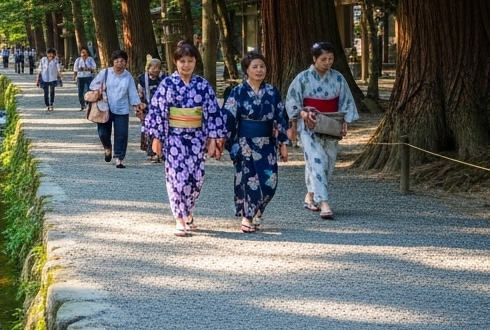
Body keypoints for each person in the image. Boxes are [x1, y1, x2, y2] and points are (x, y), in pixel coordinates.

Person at [142, 42, 227, 236]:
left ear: (196, 61)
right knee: (177, 178)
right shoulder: (167, 84)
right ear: (175, 62)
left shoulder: (202, 85)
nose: (186, 65)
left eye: (190, 61)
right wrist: (157, 137)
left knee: (196, 178)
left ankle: (188, 209)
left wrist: (213, 137)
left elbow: (212, 112)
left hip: (197, 137)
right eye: (182, 61)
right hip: (174, 138)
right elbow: (157, 111)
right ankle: (180, 218)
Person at [285, 41, 359, 221]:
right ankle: (324, 202)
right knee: (317, 160)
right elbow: (292, 101)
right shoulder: (302, 78)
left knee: (327, 164)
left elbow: (346, 101)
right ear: (314, 59)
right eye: (323, 59)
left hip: (331, 124)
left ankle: (310, 196)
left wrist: (345, 121)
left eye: (330, 59)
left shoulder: (338, 78)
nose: (328, 62)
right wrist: (302, 113)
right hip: (310, 126)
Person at [222, 51, 290, 233]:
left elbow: (280, 118)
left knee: (270, 182)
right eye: (255, 67)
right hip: (245, 143)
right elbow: (228, 118)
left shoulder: (272, 92)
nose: (259, 70)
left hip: (267, 143)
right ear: (246, 70)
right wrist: (226, 141)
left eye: (262, 66)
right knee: (248, 180)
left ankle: (258, 210)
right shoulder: (237, 92)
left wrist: (283, 143)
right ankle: (247, 216)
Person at [88, 51, 143, 167]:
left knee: (122, 134)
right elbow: (93, 85)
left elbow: (132, 92)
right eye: (117, 61)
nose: (119, 63)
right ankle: (107, 147)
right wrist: (101, 89)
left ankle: (119, 158)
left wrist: (137, 106)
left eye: (122, 61)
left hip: (121, 108)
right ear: (112, 62)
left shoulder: (128, 76)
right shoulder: (105, 72)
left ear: (126, 62)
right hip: (104, 107)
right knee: (103, 133)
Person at [138, 58, 165, 162]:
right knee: (149, 131)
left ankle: (162, 153)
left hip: (161, 109)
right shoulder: (141, 79)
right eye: (153, 68)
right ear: (148, 68)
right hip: (147, 108)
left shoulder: (164, 78)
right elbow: (139, 93)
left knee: (162, 130)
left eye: (158, 68)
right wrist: (140, 106)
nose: (155, 70)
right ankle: (152, 152)